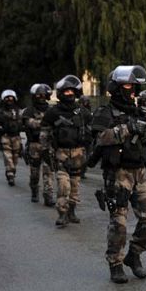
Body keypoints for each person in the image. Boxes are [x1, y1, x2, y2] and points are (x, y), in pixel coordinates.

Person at [89, 65, 146, 284]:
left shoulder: (140, 112)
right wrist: (128, 128)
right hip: (117, 173)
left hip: (140, 172)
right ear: (116, 87)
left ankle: (134, 254)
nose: (132, 90)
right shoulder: (104, 112)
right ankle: (115, 263)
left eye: (134, 86)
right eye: (128, 85)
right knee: (118, 222)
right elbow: (100, 138)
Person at [41, 75, 91, 226]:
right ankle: (62, 214)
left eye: (72, 91)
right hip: (61, 154)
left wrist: (90, 150)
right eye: (66, 91)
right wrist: (44, 149)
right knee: (63, 185)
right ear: (61, 93)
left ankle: (72, 211)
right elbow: (44, 131)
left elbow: (92, 131)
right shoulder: (53, 112)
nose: (69, 94)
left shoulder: (83, 112)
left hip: (78, 154)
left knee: (75, 186)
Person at [22, 83, 56, 205]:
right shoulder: (29, 110)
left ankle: (48, 196)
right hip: (34, 145)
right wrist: (45, 123)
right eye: (38, 95)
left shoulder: (51, 110)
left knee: (48, 171)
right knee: (34, 172)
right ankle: (34, 191)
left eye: (43, 95)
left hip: (48, 145)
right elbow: (29, 123)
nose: (41, 97)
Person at [0, 89, 23, 186]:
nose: (9, 99)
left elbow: (22, 122)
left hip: (16, 136)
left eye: (11, 98)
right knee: (7, 156)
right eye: (7, 98)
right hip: (5, 136)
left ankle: (12, 171)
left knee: (15, 157)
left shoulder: (18, 111)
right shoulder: (1, 111)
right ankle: (10, 174)